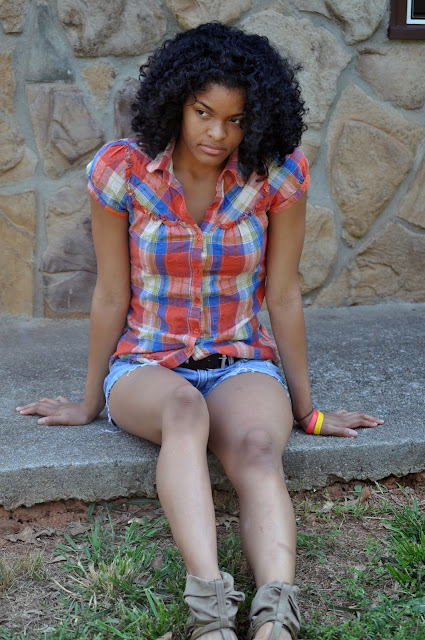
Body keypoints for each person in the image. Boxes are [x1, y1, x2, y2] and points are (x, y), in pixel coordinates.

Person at [16, 22, 384, 640]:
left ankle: (276, 620)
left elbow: (283, 295)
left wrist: (308, 410)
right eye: (203, 112)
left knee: (259, 448)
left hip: (240, 359)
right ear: (176, 102)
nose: (217, 134)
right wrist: (87, 401)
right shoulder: (123, 170)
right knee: (185, 412)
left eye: (235, 120)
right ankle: (211, 617)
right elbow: (110, 293)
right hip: (146, 363)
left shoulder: (277, 174)